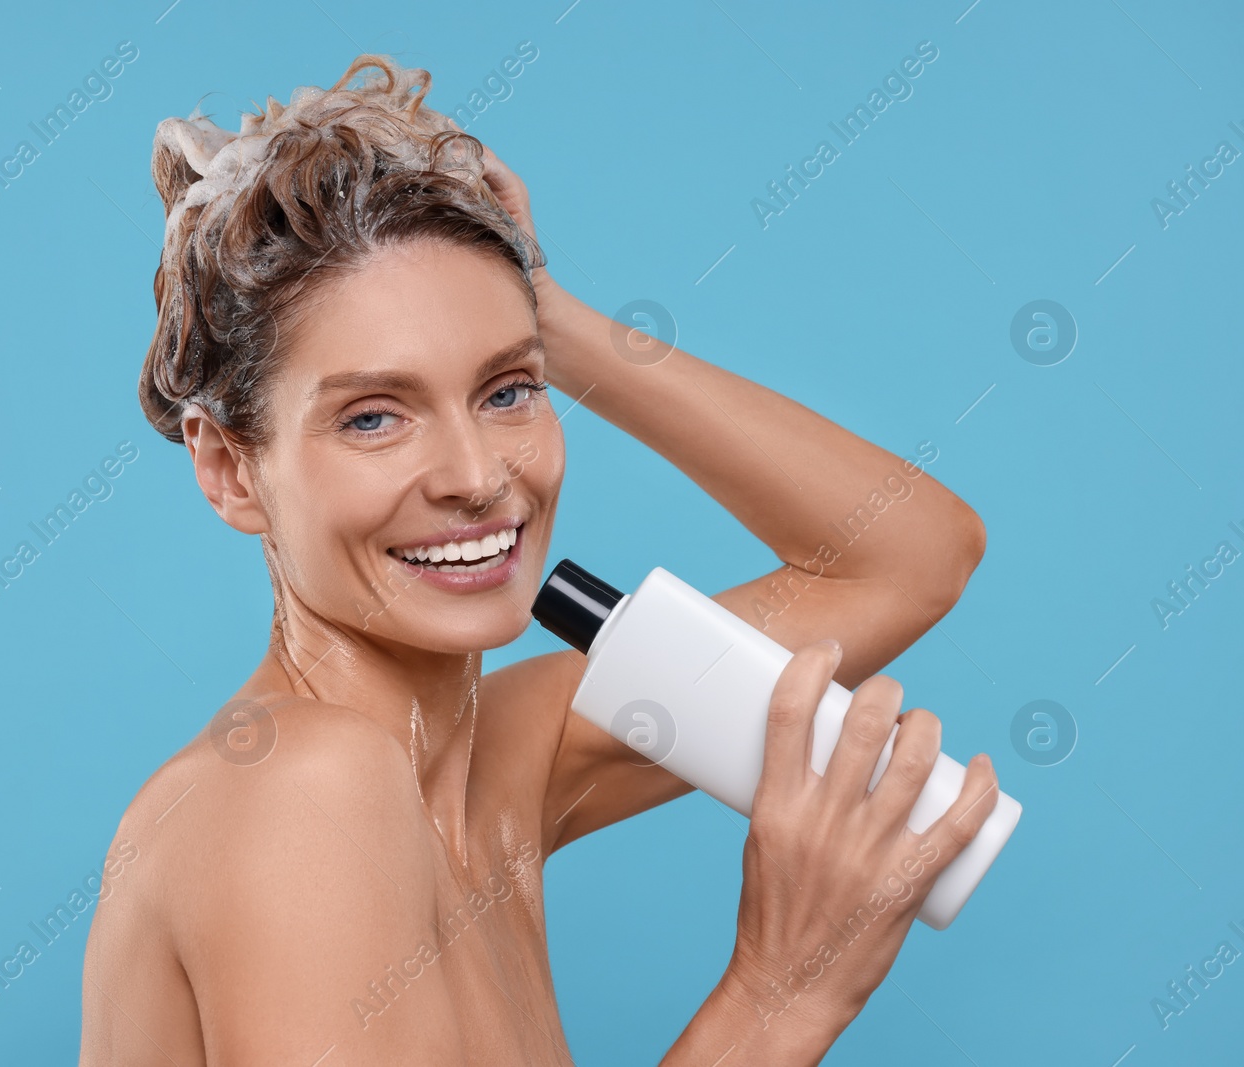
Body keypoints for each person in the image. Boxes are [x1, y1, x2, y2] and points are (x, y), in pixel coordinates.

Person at [79, 53, 1001, 1066]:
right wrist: (782, 990)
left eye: (505, 391)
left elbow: (906, 556)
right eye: (373, 416)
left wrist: (539, 309)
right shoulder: (302, 789)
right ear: (230, 470)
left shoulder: (495, 761)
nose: (476, 476)